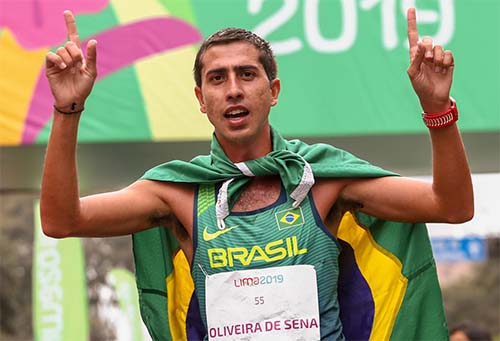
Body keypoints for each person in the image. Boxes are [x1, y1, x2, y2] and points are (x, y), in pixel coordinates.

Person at [41, 8, 473, 340]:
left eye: (247, 74)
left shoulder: (323, 177)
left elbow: (451, 207)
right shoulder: (176, 191)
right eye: (217, 78)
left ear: (273, 91)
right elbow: (62, 221)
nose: (233, 89)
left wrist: (438, 110)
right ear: (201, 98)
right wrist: (67, 110)